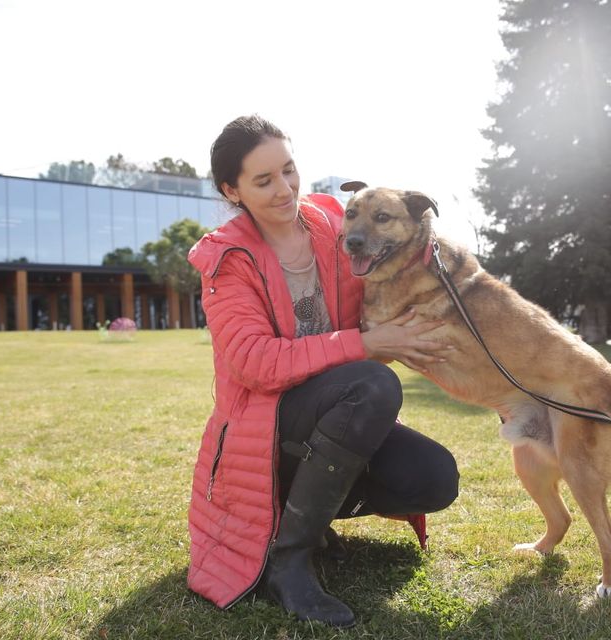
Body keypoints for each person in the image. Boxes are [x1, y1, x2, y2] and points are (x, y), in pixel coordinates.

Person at [186, 115, 459, 628]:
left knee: (434, 478)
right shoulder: (228, 258)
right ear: (232, 190)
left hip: (340, 409)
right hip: (267, 426)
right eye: (263, 181)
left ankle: (302, 514)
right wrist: (366, 343)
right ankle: (288, 559)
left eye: (289, 170)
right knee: (372, 382)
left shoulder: (335, 225)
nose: (285, 188)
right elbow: (254, 363)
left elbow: (399, 255)